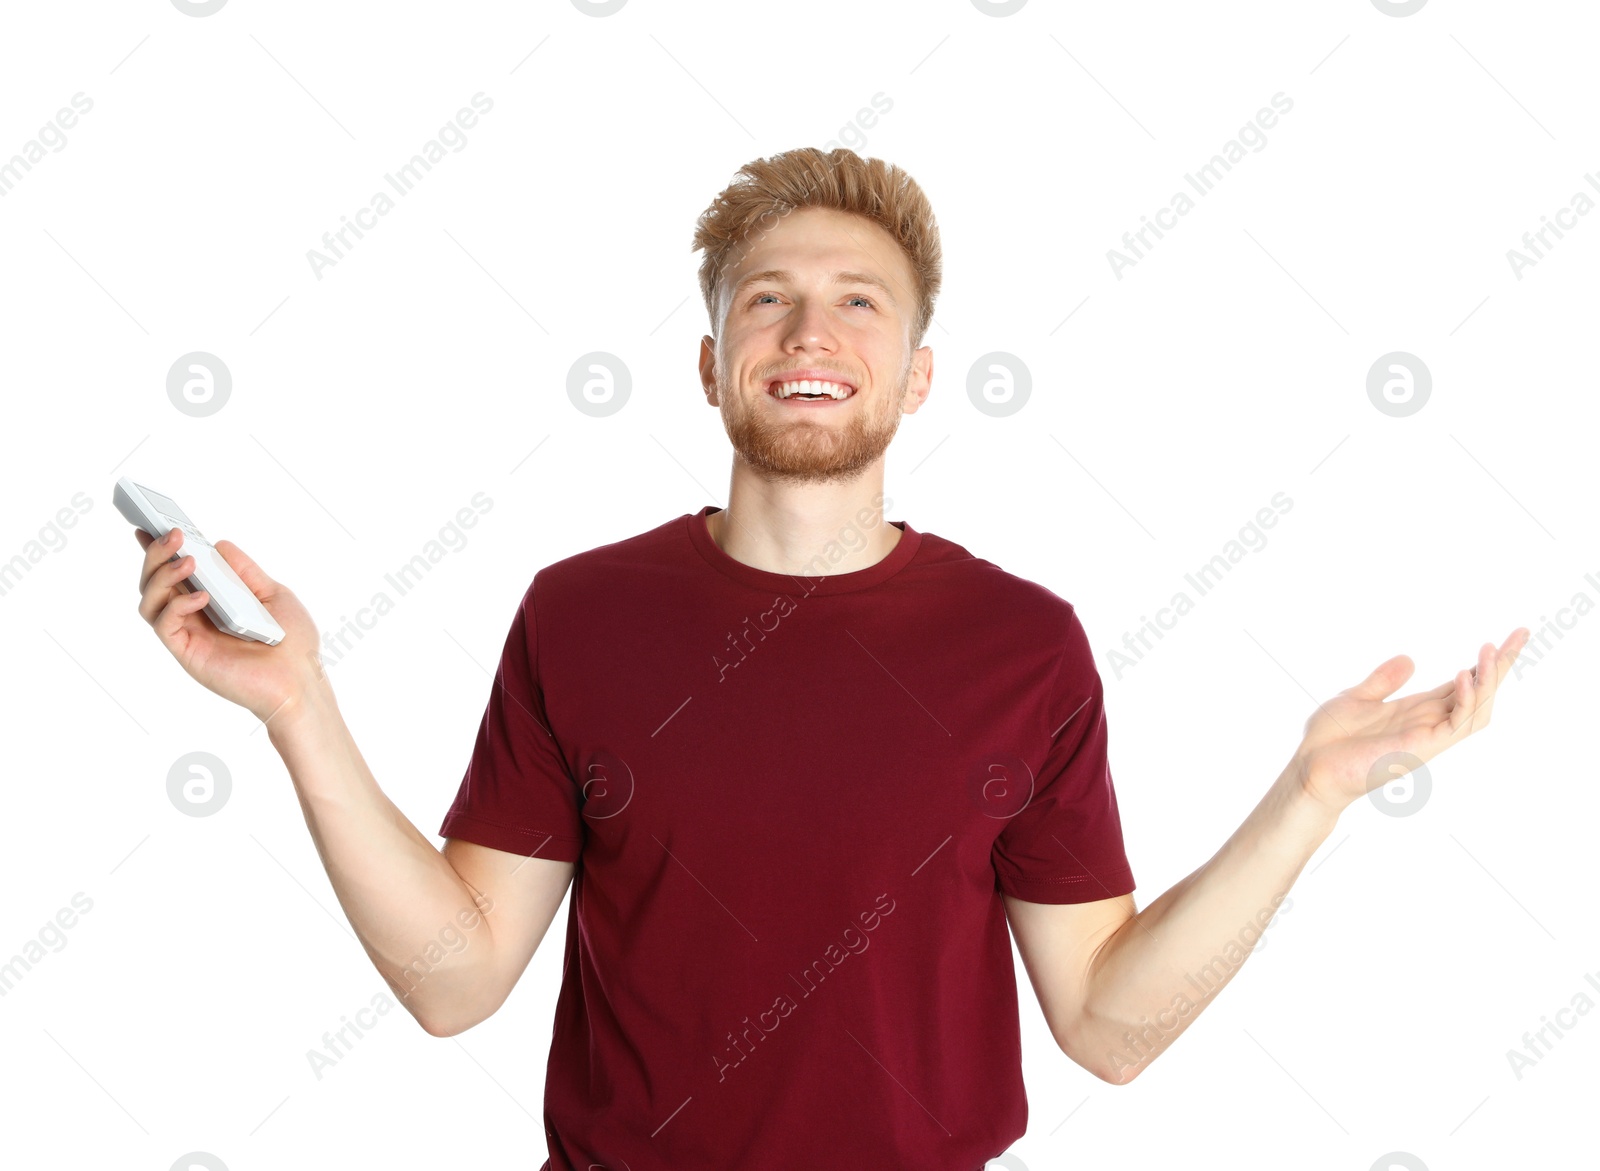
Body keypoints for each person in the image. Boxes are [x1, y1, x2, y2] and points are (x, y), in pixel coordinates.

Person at [133, 146, 1529, 1170]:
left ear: (918, 374)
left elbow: (1107, 1023)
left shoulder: (1024, 645)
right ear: (711, 361)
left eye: (861, 303)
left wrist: (1311, 797)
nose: (811, 333)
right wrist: (298, 709)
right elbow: (455, 981)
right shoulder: (579, 615)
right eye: (767, 301)